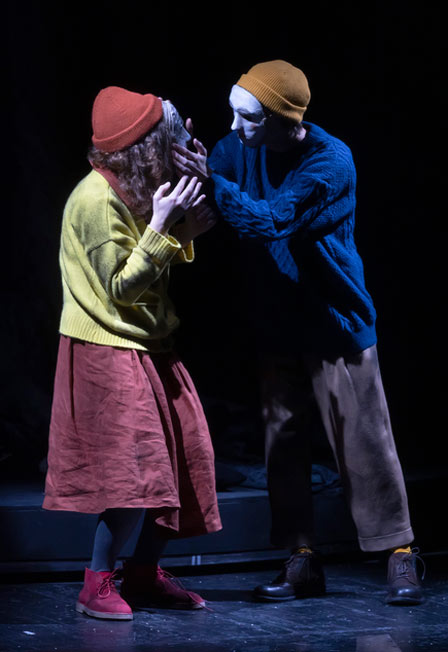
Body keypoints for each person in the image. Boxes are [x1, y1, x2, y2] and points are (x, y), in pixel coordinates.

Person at [172, 60, 423, 605]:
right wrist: (188, 160)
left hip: (334, 318)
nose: (234, 127)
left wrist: (212, 181)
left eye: (248, 118)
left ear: (284, 120)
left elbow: (270, 221)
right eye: (232, 113)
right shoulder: (237, 147)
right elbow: (210, 180)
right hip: (279, 317)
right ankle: (301, 557)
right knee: (282, 442)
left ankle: (398, 552)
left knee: (363, 441)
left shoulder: (330, 162)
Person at [43, 86, 222, 620]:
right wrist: (164, 228)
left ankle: (143, 573)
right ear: (145, 147)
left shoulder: (136, 185)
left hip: (148, 340)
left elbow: (150, 268)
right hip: (107, 344)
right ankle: (96, 581)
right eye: (169, 138)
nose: (178, 144)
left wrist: (184, 224)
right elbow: (121, 287)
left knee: (185, 461)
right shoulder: (96, 201)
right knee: (133, 474)